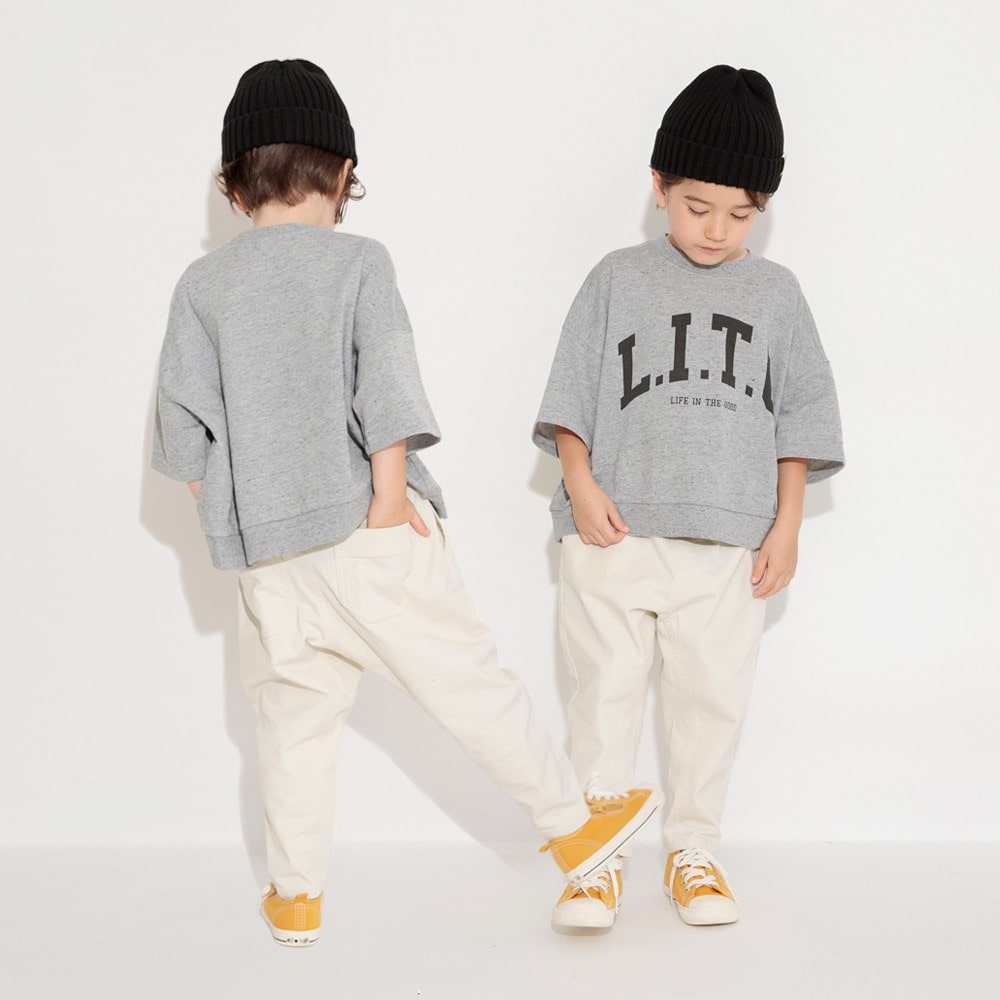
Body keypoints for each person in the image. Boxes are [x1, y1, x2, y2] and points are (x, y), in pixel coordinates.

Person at [151, 58, 661, 947]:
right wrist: (388, 498)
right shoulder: (359, 262)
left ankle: (296, 895)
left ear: (233, 186)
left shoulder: (203, 287)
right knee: (467, 683)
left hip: (269, 562)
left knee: (291, 728)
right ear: (344, 174)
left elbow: (185, 436)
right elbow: (384, 386)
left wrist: (235, 511)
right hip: (368, 530)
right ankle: (572, 826)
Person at [533, 65, 844, 930]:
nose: (716, 230)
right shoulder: (616, 278)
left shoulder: (776, 294)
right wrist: (579, 485)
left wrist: (787, 524)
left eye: (741, 214)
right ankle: (595, 860)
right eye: (697, 206)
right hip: (614, 532)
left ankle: (693, 850)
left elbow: (801, 417)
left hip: (727, 540)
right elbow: (569, 397)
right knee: (603, 694)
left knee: (712, 701)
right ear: (659, 186)